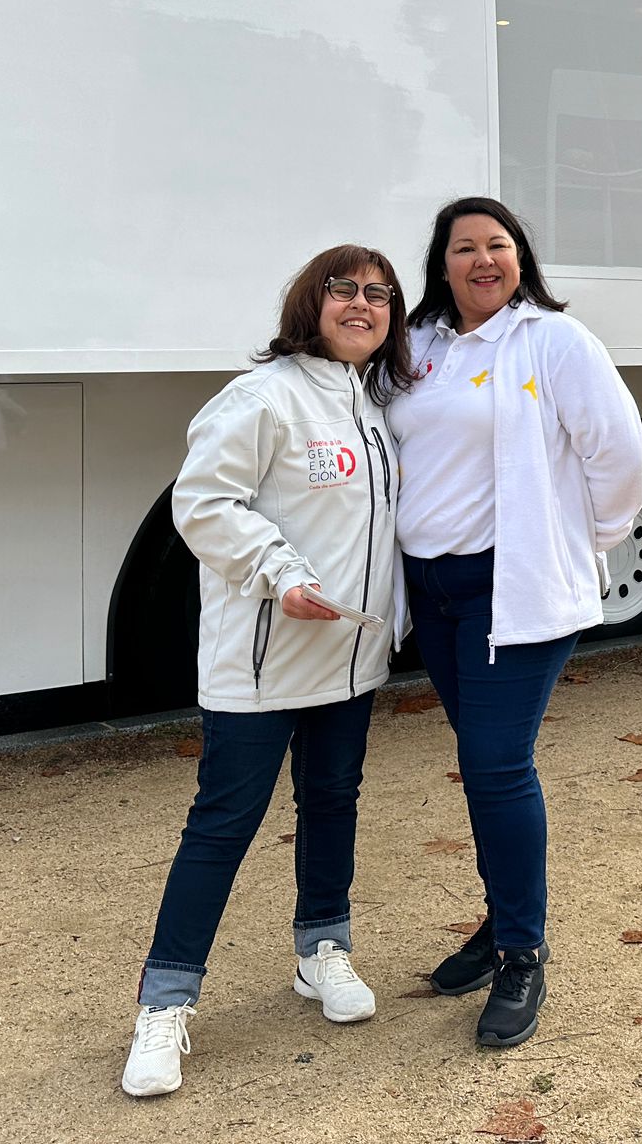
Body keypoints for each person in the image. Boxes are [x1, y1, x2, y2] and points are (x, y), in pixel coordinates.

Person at [122, 246, 416, 1098]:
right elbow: (202, 503)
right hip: (262, 664)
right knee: (221, 828)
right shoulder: (262, 397)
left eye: (379, 294)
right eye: (344, 289)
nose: (362, 304)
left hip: (349, 661)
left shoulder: (374, 404)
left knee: (332, 804)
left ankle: (322, 950)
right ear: (309, 303)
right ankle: (164, 1004)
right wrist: (280, 572)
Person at [387, 197, 642, 1047]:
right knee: (480, 763)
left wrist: (582, 541)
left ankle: (522, 953)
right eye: (464, 247)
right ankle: (500, 921)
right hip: (434, 593)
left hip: (513, 592)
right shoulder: (417, 345)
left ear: (520, 258)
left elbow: (620, 453)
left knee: (496, 767)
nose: (483, 259)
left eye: (497, 244)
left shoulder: (555, 341)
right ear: (443, 264)